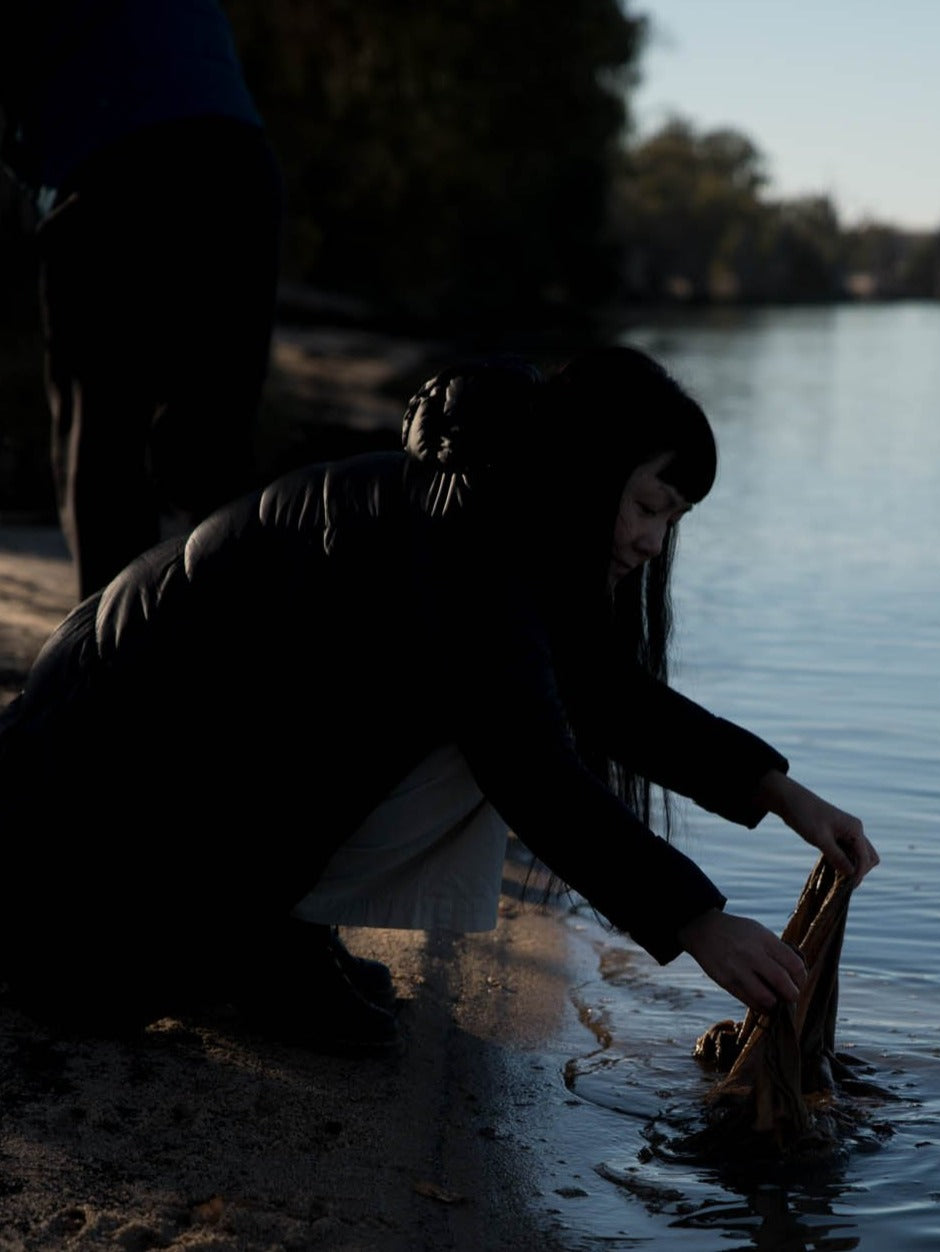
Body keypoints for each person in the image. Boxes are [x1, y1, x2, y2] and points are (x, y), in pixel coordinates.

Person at [0, 346, 879, 1051]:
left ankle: (277, 931)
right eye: (649, 504)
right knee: (496, 742)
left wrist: (784, 796)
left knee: (510, 716)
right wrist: (699, 924)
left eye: (672, 521)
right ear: (591, 465)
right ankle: (260, 942)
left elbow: (609, 697)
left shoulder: (485, 504)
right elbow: (534, 769)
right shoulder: (469, 540)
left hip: (139, 773)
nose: (653, 541)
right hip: (94, 803)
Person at [0, 0, 282, 599]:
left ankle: (108, 676)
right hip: (236, 164)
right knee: (209, 454)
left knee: (103, 448)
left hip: (117, 167)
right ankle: (239, 662)